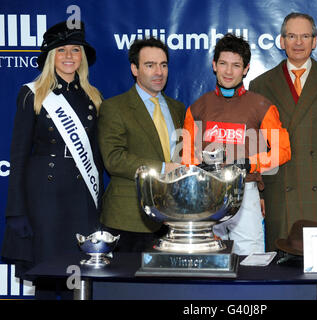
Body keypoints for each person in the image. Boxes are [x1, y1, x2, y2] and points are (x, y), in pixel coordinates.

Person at [1, 21, 103, 297]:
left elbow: (95, 156)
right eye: (61, 51)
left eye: (75, 50)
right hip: (44, 198)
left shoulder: (93, 98)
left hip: (81, 196)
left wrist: (99, 207)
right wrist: (16, 210)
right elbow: (18, 155)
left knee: (80, 277)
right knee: (47, 275)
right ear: (50, 56)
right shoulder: (32, 93)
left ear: (82, 56)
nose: (69, 56)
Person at [249, 12, 317, 251]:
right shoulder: (261, 84)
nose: (298, 42)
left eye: (305, 36)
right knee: (283, 270)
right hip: (281, 187)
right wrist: (260, 192)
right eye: (292, 36)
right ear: (282, 41)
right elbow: (258, 146)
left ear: (315, 41)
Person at [182, 33, 291, 255]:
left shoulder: (261, 106)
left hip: (246, 192)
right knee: (207, 257)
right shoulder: (197, 108)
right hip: (206, 193)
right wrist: (198, 166)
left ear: (246, 69)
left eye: (236, 65)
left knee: (249, 259)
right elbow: (186, 154)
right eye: (223, 64)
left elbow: (283, 150)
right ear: (214, 65)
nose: (228, 71)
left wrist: (250, 164)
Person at [98, 38, 186, 252]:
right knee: (124, 286)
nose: (159, 72)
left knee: (167, 286)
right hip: (129, 219)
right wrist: (164, 168)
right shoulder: (114, 107)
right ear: (134, 69)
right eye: (150, 65)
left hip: (172, 220)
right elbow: (114, 159)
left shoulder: (178, 108)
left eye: (163, 65)